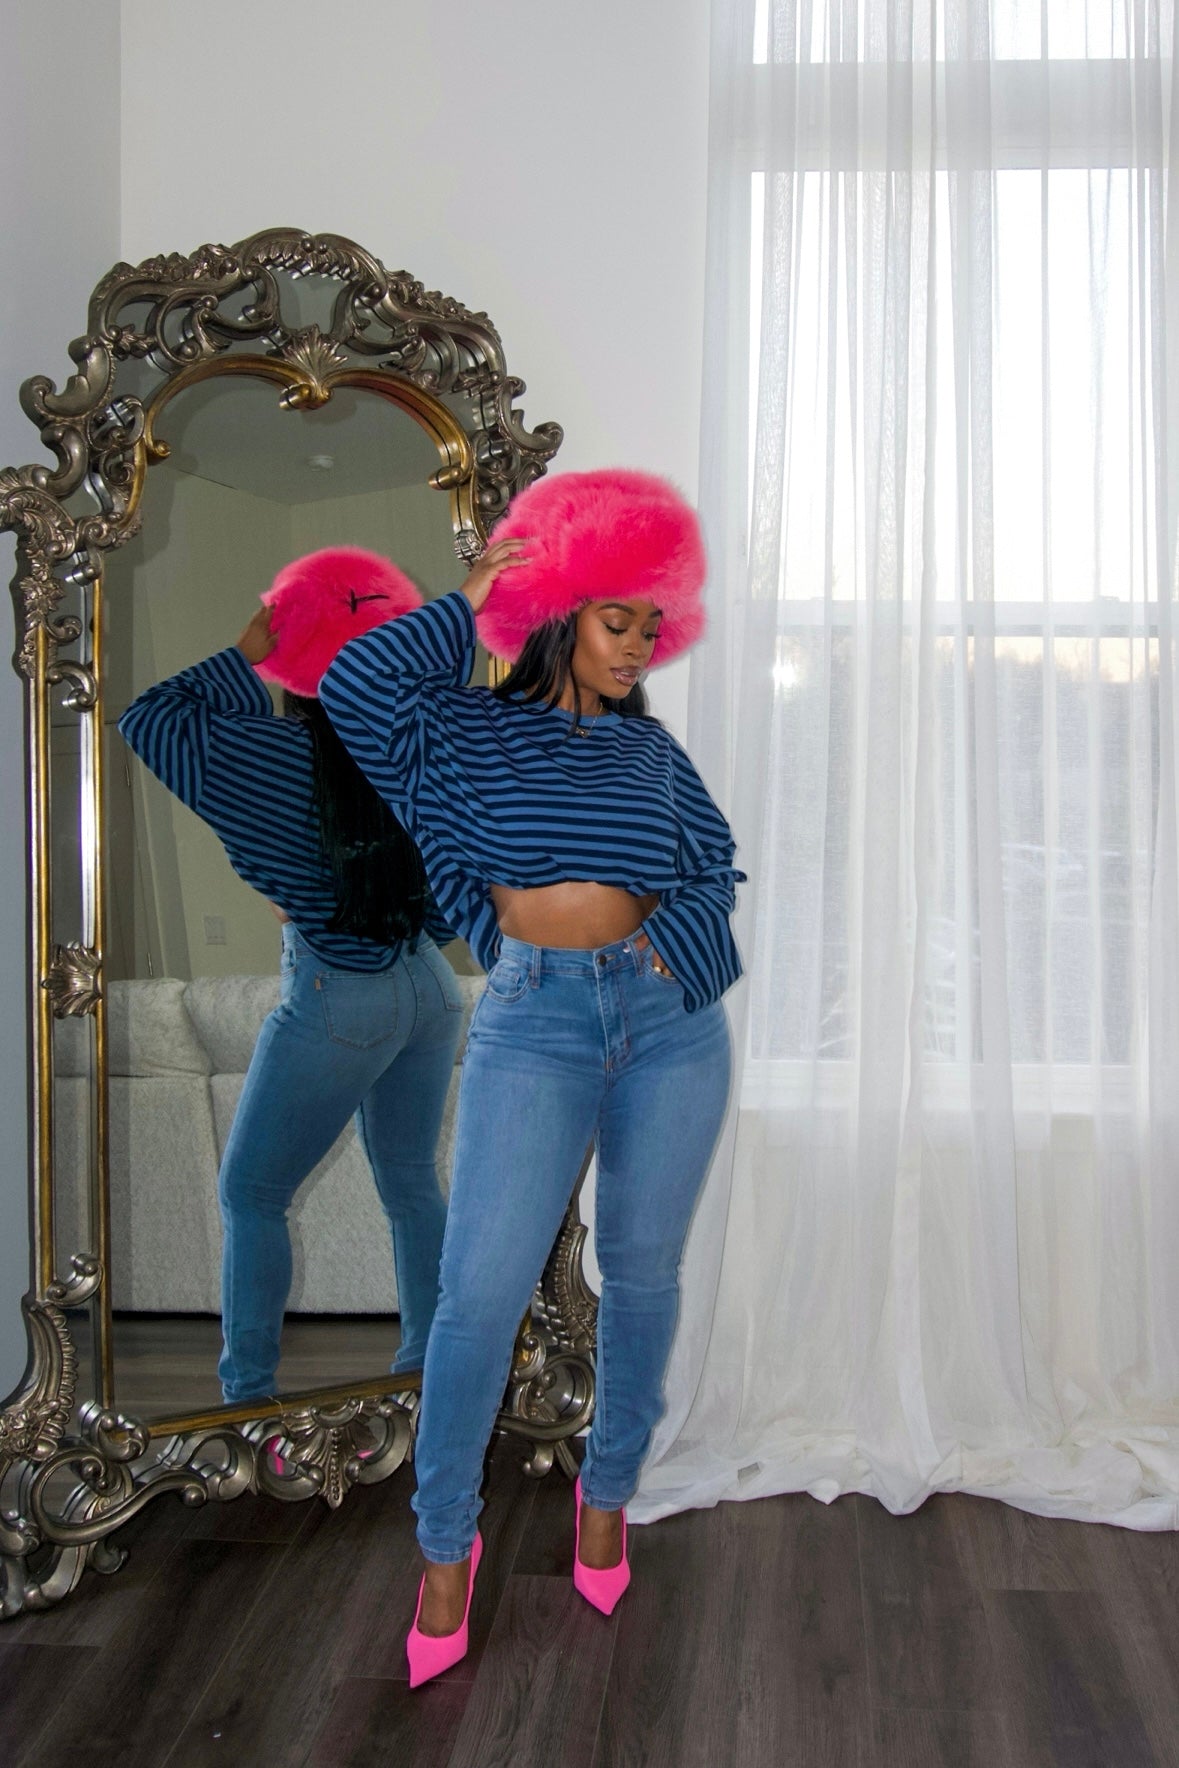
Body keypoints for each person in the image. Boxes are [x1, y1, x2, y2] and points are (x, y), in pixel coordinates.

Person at [321, 470, 744, 1685]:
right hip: (535, 1023)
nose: (639, 645)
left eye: (652, 624)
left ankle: (607, 1495)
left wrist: (677, 937)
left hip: (669, 1026)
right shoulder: (457, 733)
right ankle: (444, 1547)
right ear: (559, 612)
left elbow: (714, 863)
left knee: (644, 1272)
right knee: (478, 1294)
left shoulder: (650, 750)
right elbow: (354, 686)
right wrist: (464, 603)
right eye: (618, 620)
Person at [118, 548, 463, 1406]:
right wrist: (357, 904)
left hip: (339, 993)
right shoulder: (417, 754)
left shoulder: (265, 756)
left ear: (291, 661)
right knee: (411, 1183)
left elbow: (151, 717)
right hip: (428, 987)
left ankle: (247, 1398)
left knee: (252, 1192)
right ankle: (428, 1374)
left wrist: (244, 650)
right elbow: (457, 894)